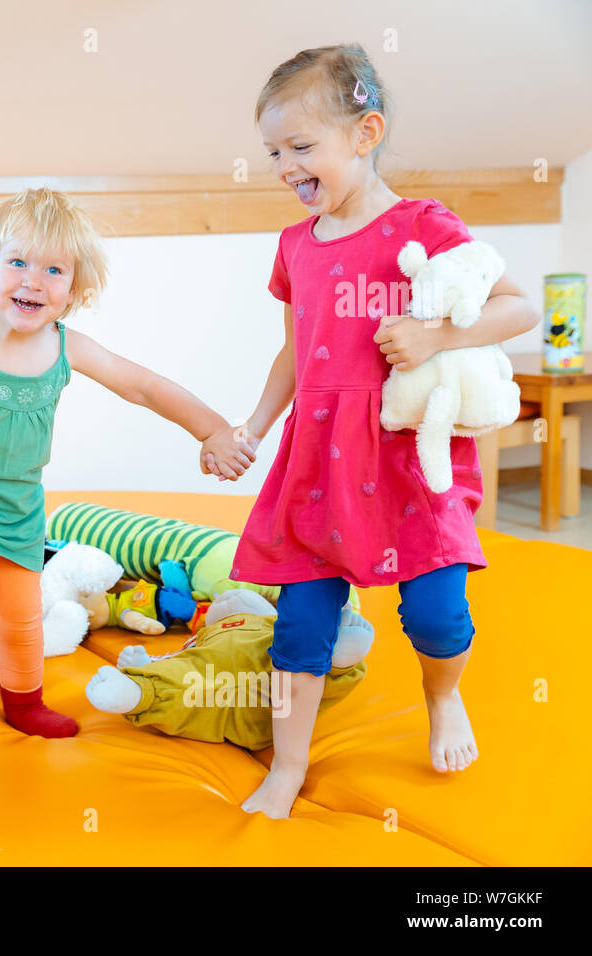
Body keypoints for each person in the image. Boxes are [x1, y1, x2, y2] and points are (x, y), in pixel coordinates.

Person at [227, 46, 541, 818]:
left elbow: (519, 305)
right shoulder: (295, 245)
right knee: (300, 626)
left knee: (437, 615)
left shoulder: (423, 226)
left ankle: (443, 699)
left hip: (408, 457)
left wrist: (436, 338)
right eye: (273, 152)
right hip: (317, 464)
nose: (285, 167)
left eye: (302, 147)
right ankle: (290, 765)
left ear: (365, 134)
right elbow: (295, 348)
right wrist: (257, 425)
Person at [0, 186, 256, 756]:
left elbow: (145, 385)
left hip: (17, 506)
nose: (32, 280)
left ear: (74, 290)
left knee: (20, 614)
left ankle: (25, 701)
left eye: (53, 270)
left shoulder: (66, 347)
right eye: (17, 262)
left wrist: (211, 430)